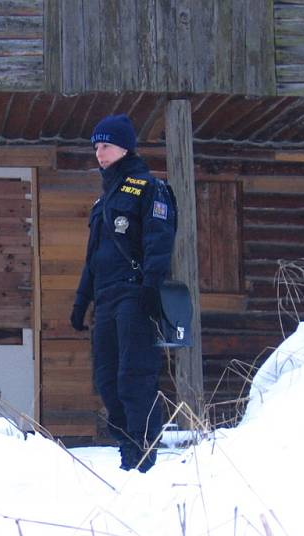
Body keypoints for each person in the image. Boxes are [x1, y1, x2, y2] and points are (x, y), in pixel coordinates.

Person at [70, 114, 176, 473]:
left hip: (134, 294)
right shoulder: (102, 204)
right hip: (105, 299)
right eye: (96, 147)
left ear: (125, 147)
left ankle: (143, 450)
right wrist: (81, 301)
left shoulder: (149, 188)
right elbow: (92, 259)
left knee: (135, 374)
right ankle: (127, 445)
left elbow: (159, 242)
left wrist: (151, 287)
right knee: (106, 378)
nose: (99, 154)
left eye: (106, 146)